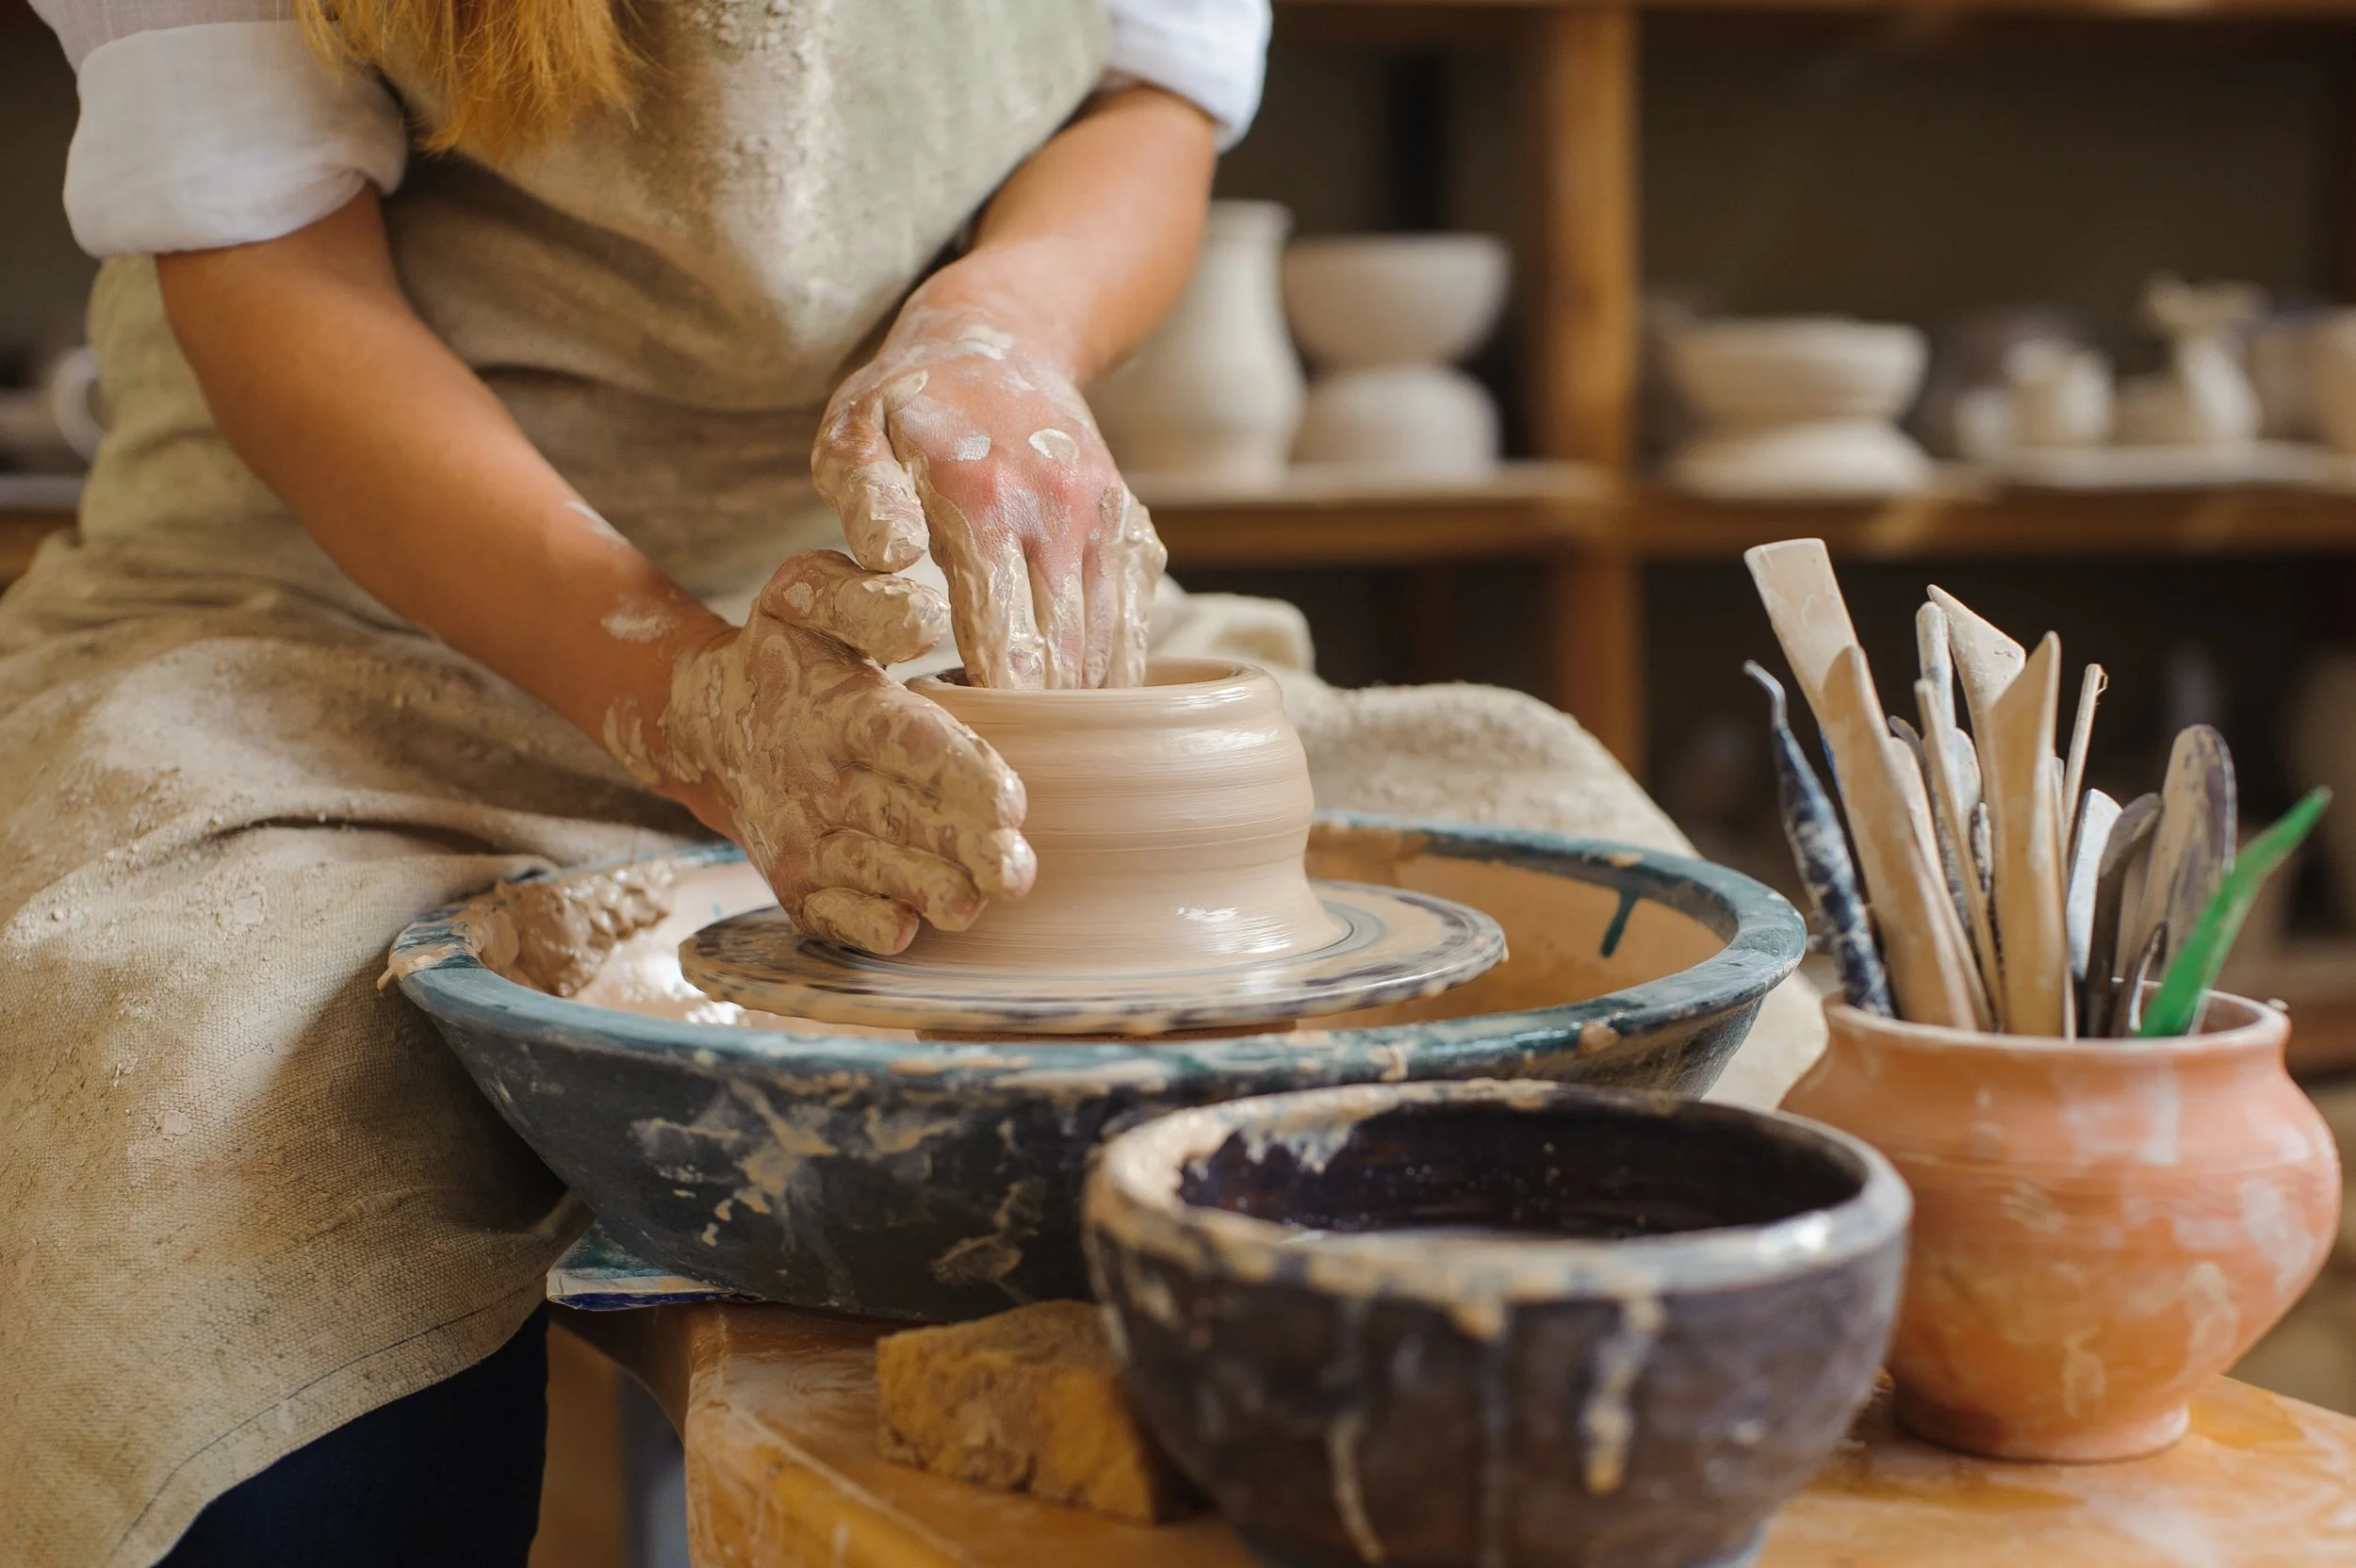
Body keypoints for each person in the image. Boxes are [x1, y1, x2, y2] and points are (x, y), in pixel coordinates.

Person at [2, 2, 1820, 1561]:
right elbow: (267, 267)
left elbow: (1149, 96)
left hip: (927, 615)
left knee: (1723, 1100)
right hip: (334, 617)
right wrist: (689, 697)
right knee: (216, 1330)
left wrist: (1002, 329)